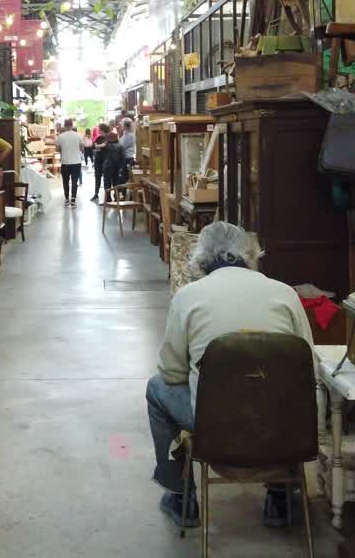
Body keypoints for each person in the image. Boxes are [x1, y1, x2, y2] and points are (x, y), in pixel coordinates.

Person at [146, 222, 315, 528]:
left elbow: (171, 373)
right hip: (286, 430)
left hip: (216, 428)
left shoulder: (188, 296)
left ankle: (182, 496)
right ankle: (279, 496)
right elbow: (310, 369)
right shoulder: (285, 293)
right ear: (251, 254)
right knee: (284, 390)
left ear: (201, 258)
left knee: (157, 388)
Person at [55, 119, 84, 207]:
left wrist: (64, 149)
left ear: (65, 126)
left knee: (65, 181)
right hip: (76, 162)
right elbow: (82, 148)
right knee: (75, 182)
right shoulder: (78, 135)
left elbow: (57, 149)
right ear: (72, 125)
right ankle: (73, 200)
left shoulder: (60, 136)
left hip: (65, 162)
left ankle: (67, 199)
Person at [100, 130, 126, 200]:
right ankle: (116, 197)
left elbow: (101, 157)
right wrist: (121, 168)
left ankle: (108, 198)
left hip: (107, 167)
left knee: (107, 183)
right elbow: (123, 158)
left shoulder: (105, 146)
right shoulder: (120, 146)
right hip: (116, 167)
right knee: (116, 182)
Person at [90, 123, 110, 202]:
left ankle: (107, 196)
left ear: (102, 129)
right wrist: (101, 146)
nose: (98, 130)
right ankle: (96, 194)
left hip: (106, 160)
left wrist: (98, 146)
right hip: (98, 160)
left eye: (99, 129)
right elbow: (93, 146)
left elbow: (106, 145)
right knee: (97, 177)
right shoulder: (99, 137)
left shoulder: (108, 137)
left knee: (106, 178)